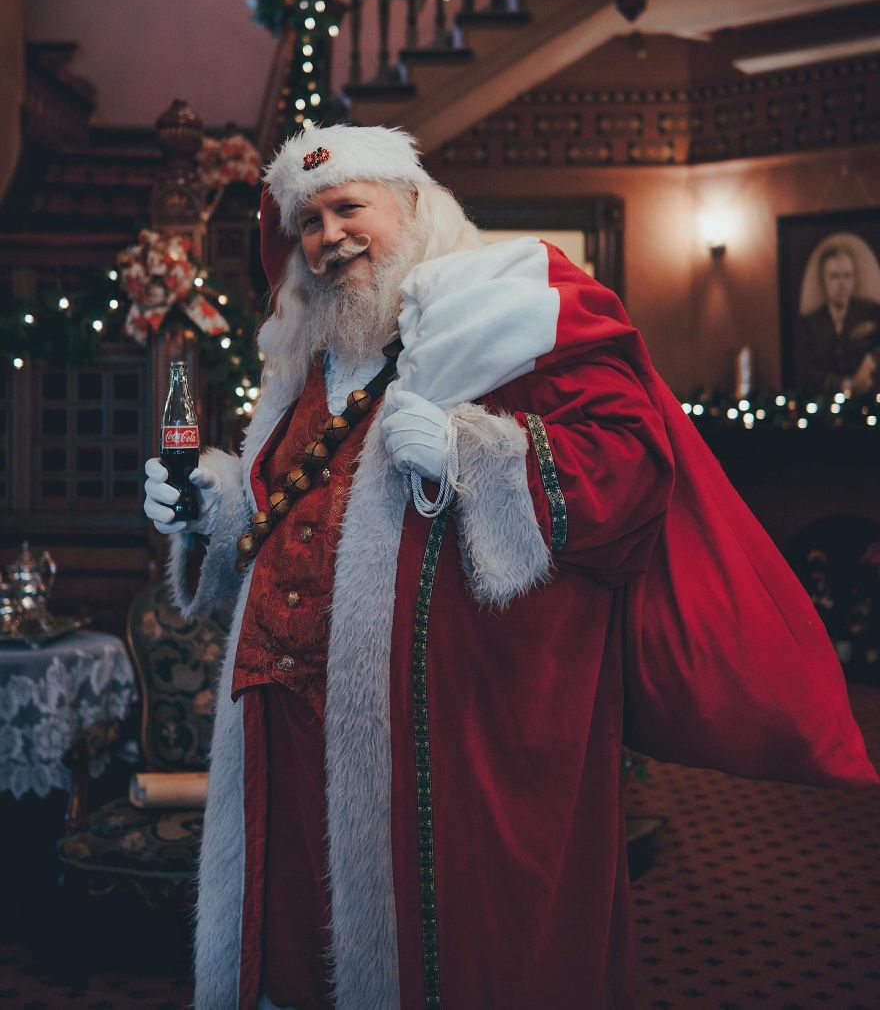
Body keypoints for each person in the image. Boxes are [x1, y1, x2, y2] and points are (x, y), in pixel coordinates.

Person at [144, 124, 878, 1010]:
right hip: (283, 735)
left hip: (443, 742)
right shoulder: (308, 361)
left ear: (410, 206)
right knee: (294, 956)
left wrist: (475, 453)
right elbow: (294, 510)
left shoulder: (504, 312)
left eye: (348, 208)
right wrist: (216, 512)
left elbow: (631, 464)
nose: (327, 237)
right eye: (308, 221)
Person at [798, 243, 880, 395]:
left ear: (854, 279)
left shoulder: (872, 312)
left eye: (847, 276)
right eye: (834, 276)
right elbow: (805, 368)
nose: (842, 284)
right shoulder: (811, 322)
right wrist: (845, 385)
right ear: (824, 280)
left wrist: (872, 361)